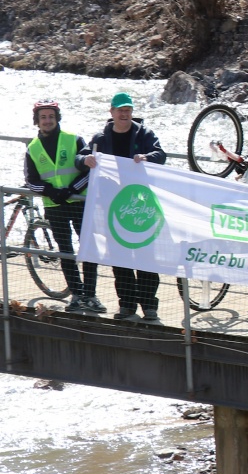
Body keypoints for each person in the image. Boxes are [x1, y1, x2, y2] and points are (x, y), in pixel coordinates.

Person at [83, 92, 166, 322]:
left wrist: (147, 157)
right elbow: (82, 158)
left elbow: (161, 155)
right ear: (111, 112)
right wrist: (85, 160)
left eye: (128, 110)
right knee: (120, 258)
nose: (124, 114)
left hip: (141, 205)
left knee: (146, 256)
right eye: (120, 110)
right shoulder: (101, 137)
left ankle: (149, 305)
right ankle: (127, 305)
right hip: (112, 207)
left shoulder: (145, 133)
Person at [24, 100, 101, 313]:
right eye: (43, 117)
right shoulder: (33, 148)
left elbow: (90, 169)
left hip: (78, 202)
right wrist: (51, 191)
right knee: (66, 251)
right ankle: (77, 294)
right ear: (37, 121)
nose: (47, 121)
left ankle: (91, 295)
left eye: (51, 116)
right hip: (54, 205)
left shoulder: (74, 139)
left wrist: (72, 189)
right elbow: (31, 181)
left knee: (88, 249)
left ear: (57, 118)